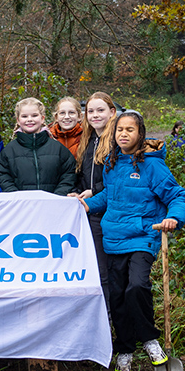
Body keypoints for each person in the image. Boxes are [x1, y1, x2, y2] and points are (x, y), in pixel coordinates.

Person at [82, 110, 185, 371]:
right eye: (120, 129)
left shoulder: (153, 166)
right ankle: (125, 349)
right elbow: (110, 195)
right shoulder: (112, 162)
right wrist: (86, 204)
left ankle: (150, 340)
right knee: (118, 296)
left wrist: (173, 218)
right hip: (114, 238)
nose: (123, 134)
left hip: (143, 236)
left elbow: (179, 196)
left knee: (137, 286)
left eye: (129, 130)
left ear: (140, 134)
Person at [68, 92, 119, 308]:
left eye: (100, 110)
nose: (95, 115)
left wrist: (93, 191)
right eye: (90, 111)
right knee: (93, 268)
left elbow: (116, 180)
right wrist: (77, 191)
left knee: (105, 270)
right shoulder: (87, 141)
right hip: (89, 212)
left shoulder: (117, 140)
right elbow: (82, 174)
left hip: (109, 213)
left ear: (112, 112)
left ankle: (107, 317)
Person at [0, 98, 76, 195]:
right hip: (21, 206)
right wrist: (16, 197)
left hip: (53, 205)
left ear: (42, 118)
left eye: (34, 115)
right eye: (24, 116)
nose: (29, 119)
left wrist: (57, 196)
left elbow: (68, 174)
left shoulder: (58, 148)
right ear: (18, 120)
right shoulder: (9, 150)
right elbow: (4, 176)